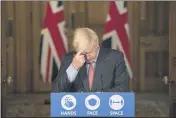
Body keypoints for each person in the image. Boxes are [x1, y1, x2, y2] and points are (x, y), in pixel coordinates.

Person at [52, 28, 129, 92]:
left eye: (89, 52)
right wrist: (73, 67)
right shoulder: (68, 59)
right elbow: (57, 91)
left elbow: (123, 88)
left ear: (96, 44)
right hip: (78, 109)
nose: (87, 57)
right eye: (83, 54)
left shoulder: (115, 58)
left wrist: (99, 96)